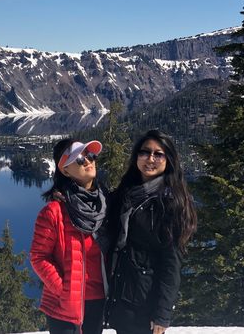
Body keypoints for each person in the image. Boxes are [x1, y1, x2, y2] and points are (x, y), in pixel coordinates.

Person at [104, 130, 197, 334]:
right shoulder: (126, 192)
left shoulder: (172, 203)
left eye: (158, 154)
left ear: (168, 160)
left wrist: (162, 314)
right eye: (145, 152)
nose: (150, 159)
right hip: (122, 299)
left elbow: (172, 263)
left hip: (145, 307)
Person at [30, 138, 111, 334]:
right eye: (80, 160)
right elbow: (38, 257)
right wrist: (62, 289)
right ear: (65, 170)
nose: (89, 161)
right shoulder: (54, 212)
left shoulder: (106, 206)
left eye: (90, 156)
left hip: (98, 301)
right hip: (64, 307)